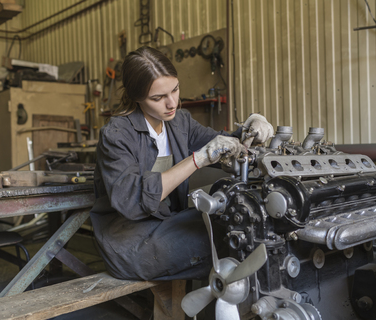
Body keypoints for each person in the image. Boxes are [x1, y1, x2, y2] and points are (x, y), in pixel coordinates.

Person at [90, 46, 274, 281]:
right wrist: (196, 160)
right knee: (230, 241)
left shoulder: (179, 122)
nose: (171, 103)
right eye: (158, 98)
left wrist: (251, 130)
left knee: (240, 225)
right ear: (137, 98)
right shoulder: (116, 135)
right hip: (128, 238)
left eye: (175, 90)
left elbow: (221, 144)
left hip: (168, 221)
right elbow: (132, 200)